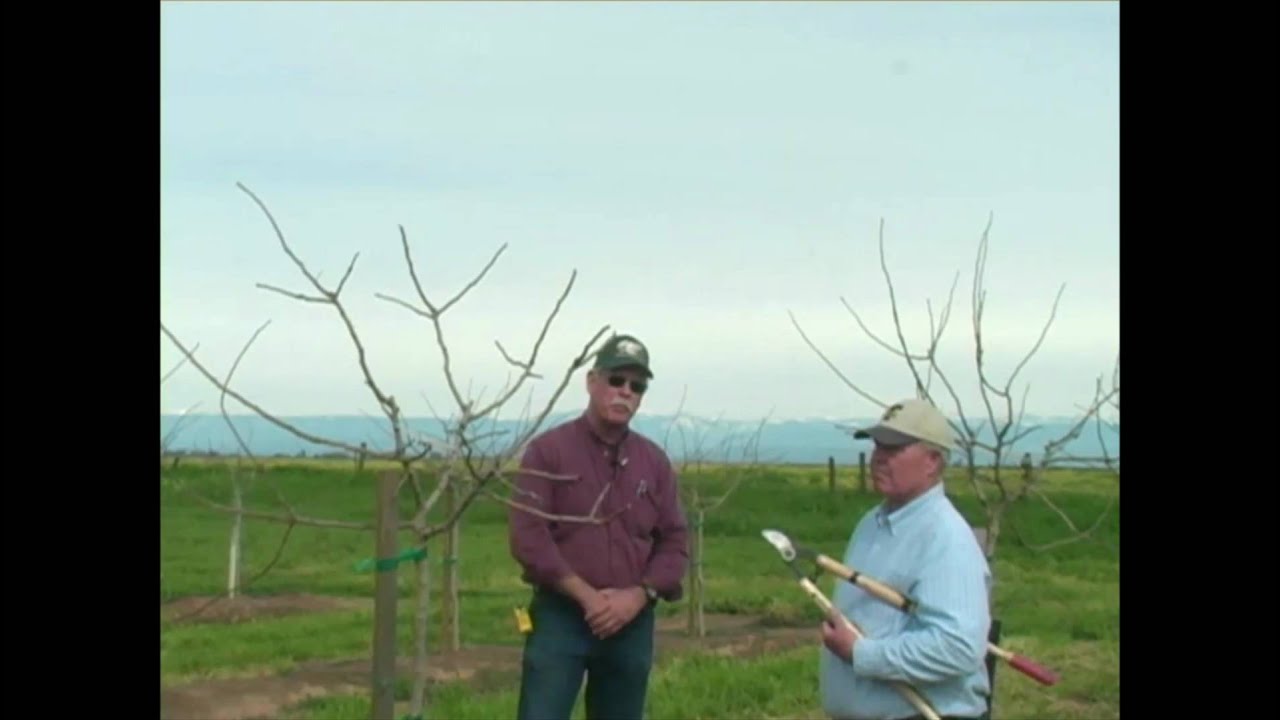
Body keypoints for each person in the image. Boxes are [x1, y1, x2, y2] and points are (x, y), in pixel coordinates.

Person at [508, 333, 689, 720]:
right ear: (592, 382)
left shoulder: (653, 463)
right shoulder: (548, 451)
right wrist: (588, 597)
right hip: (561, 618)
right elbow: (529, 537)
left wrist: (638, 596)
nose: (625, 392)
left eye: (636, 386)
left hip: (631, 624)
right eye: (616, 380)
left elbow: (674, 541)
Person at [819, 397, 993, 720]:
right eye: (878, 447)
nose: (879, 458)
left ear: (932, 461)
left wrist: (860, 654)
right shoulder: (870, 524)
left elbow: (957, 647)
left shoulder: (946, 538)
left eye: (894, 449)